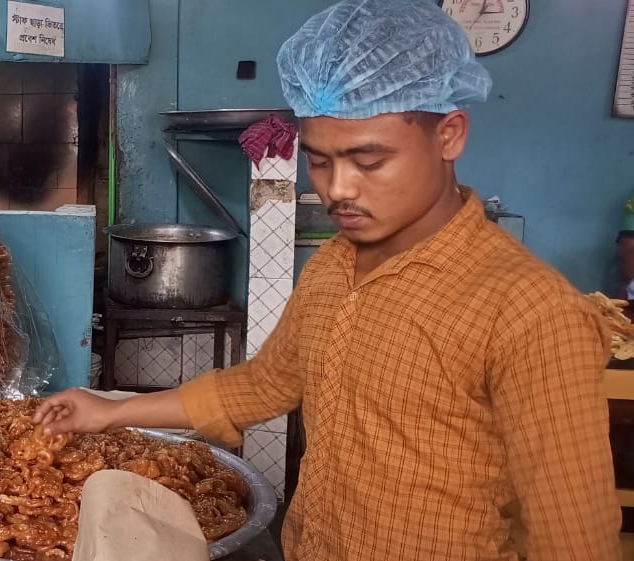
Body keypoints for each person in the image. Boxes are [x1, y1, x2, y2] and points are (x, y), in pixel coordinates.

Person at [34, 1, 622, 559]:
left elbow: (573, 535)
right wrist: (109, 410)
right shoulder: (335, 267)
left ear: (449, 134)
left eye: (369, 161)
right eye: (319, 160)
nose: (338, 189)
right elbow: (264, 384)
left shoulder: (529, 311)